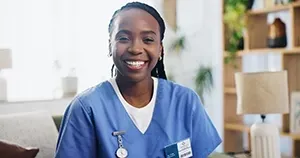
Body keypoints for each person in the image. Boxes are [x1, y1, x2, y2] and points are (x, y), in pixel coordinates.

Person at [55, 2, 221, 158]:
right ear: (109, 46)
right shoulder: (86, 108)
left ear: (160, 50)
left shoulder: (185, 101)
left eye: (148, 39)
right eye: (124, 38)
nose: (135, 48)